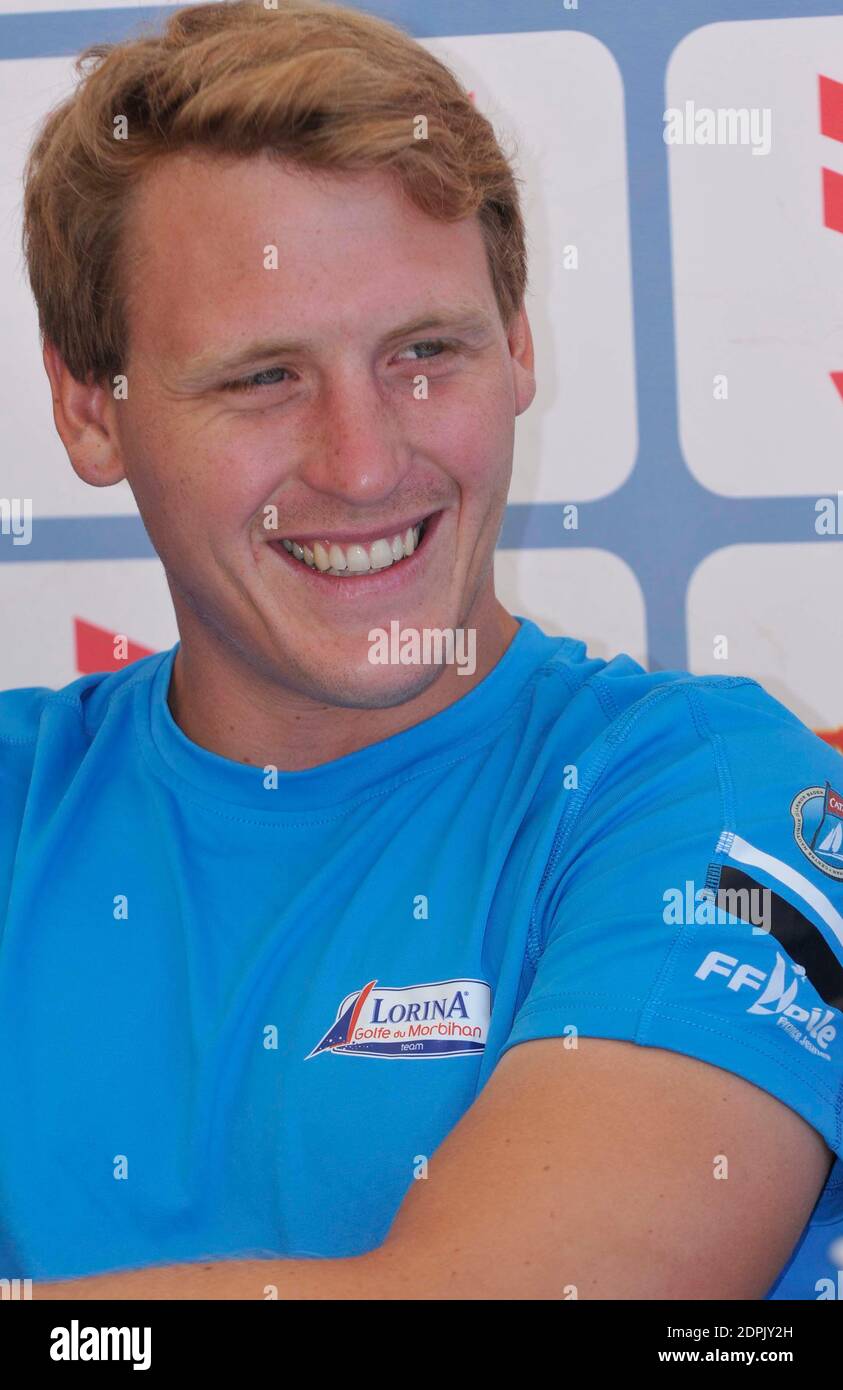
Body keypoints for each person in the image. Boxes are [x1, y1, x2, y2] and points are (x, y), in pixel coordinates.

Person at [3, 0, 842, 1301]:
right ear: (86, 409)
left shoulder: (705, 798)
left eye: (424, 353)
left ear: (517, 347)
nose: (364, 460)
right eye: (262, 378)